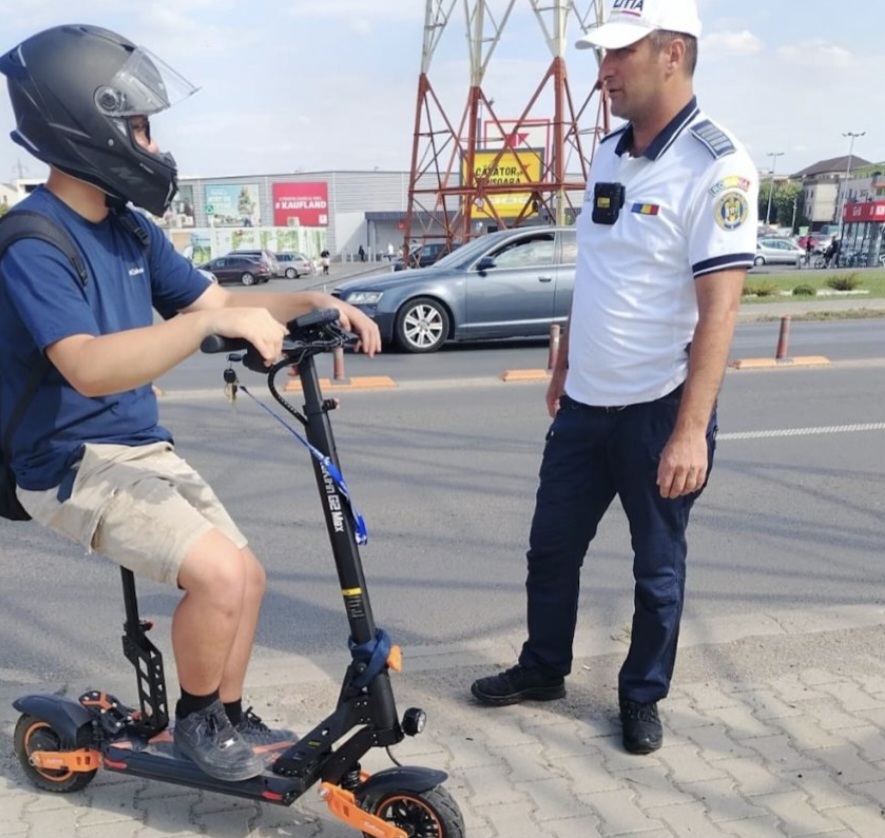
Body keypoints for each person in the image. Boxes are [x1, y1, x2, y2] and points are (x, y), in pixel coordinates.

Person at [0, 24, 381, 782]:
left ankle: (226, 718)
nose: (151, 144)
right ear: (84, 126)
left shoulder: (128, 228)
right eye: (138, 126)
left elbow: (218, 299)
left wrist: (307, 299)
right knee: (217, 577)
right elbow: (87, 367)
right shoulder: (33, 241)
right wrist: (206, 324)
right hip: (66, 463)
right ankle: (196, 724)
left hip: (138, 450)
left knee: (249, 575)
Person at [470, 0, 758, 756]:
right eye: (603, 54)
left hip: (659, 409)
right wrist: (565, 349)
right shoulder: (608, 151)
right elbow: (596, 266)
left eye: (619, 54)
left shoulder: (715, 164)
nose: (602, 71)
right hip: (584, 404)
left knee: (656, 571)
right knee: (549, 549)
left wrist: (690, 430)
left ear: (672, 54)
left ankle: (640, 696)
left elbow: (718, 310)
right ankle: (542, 669)